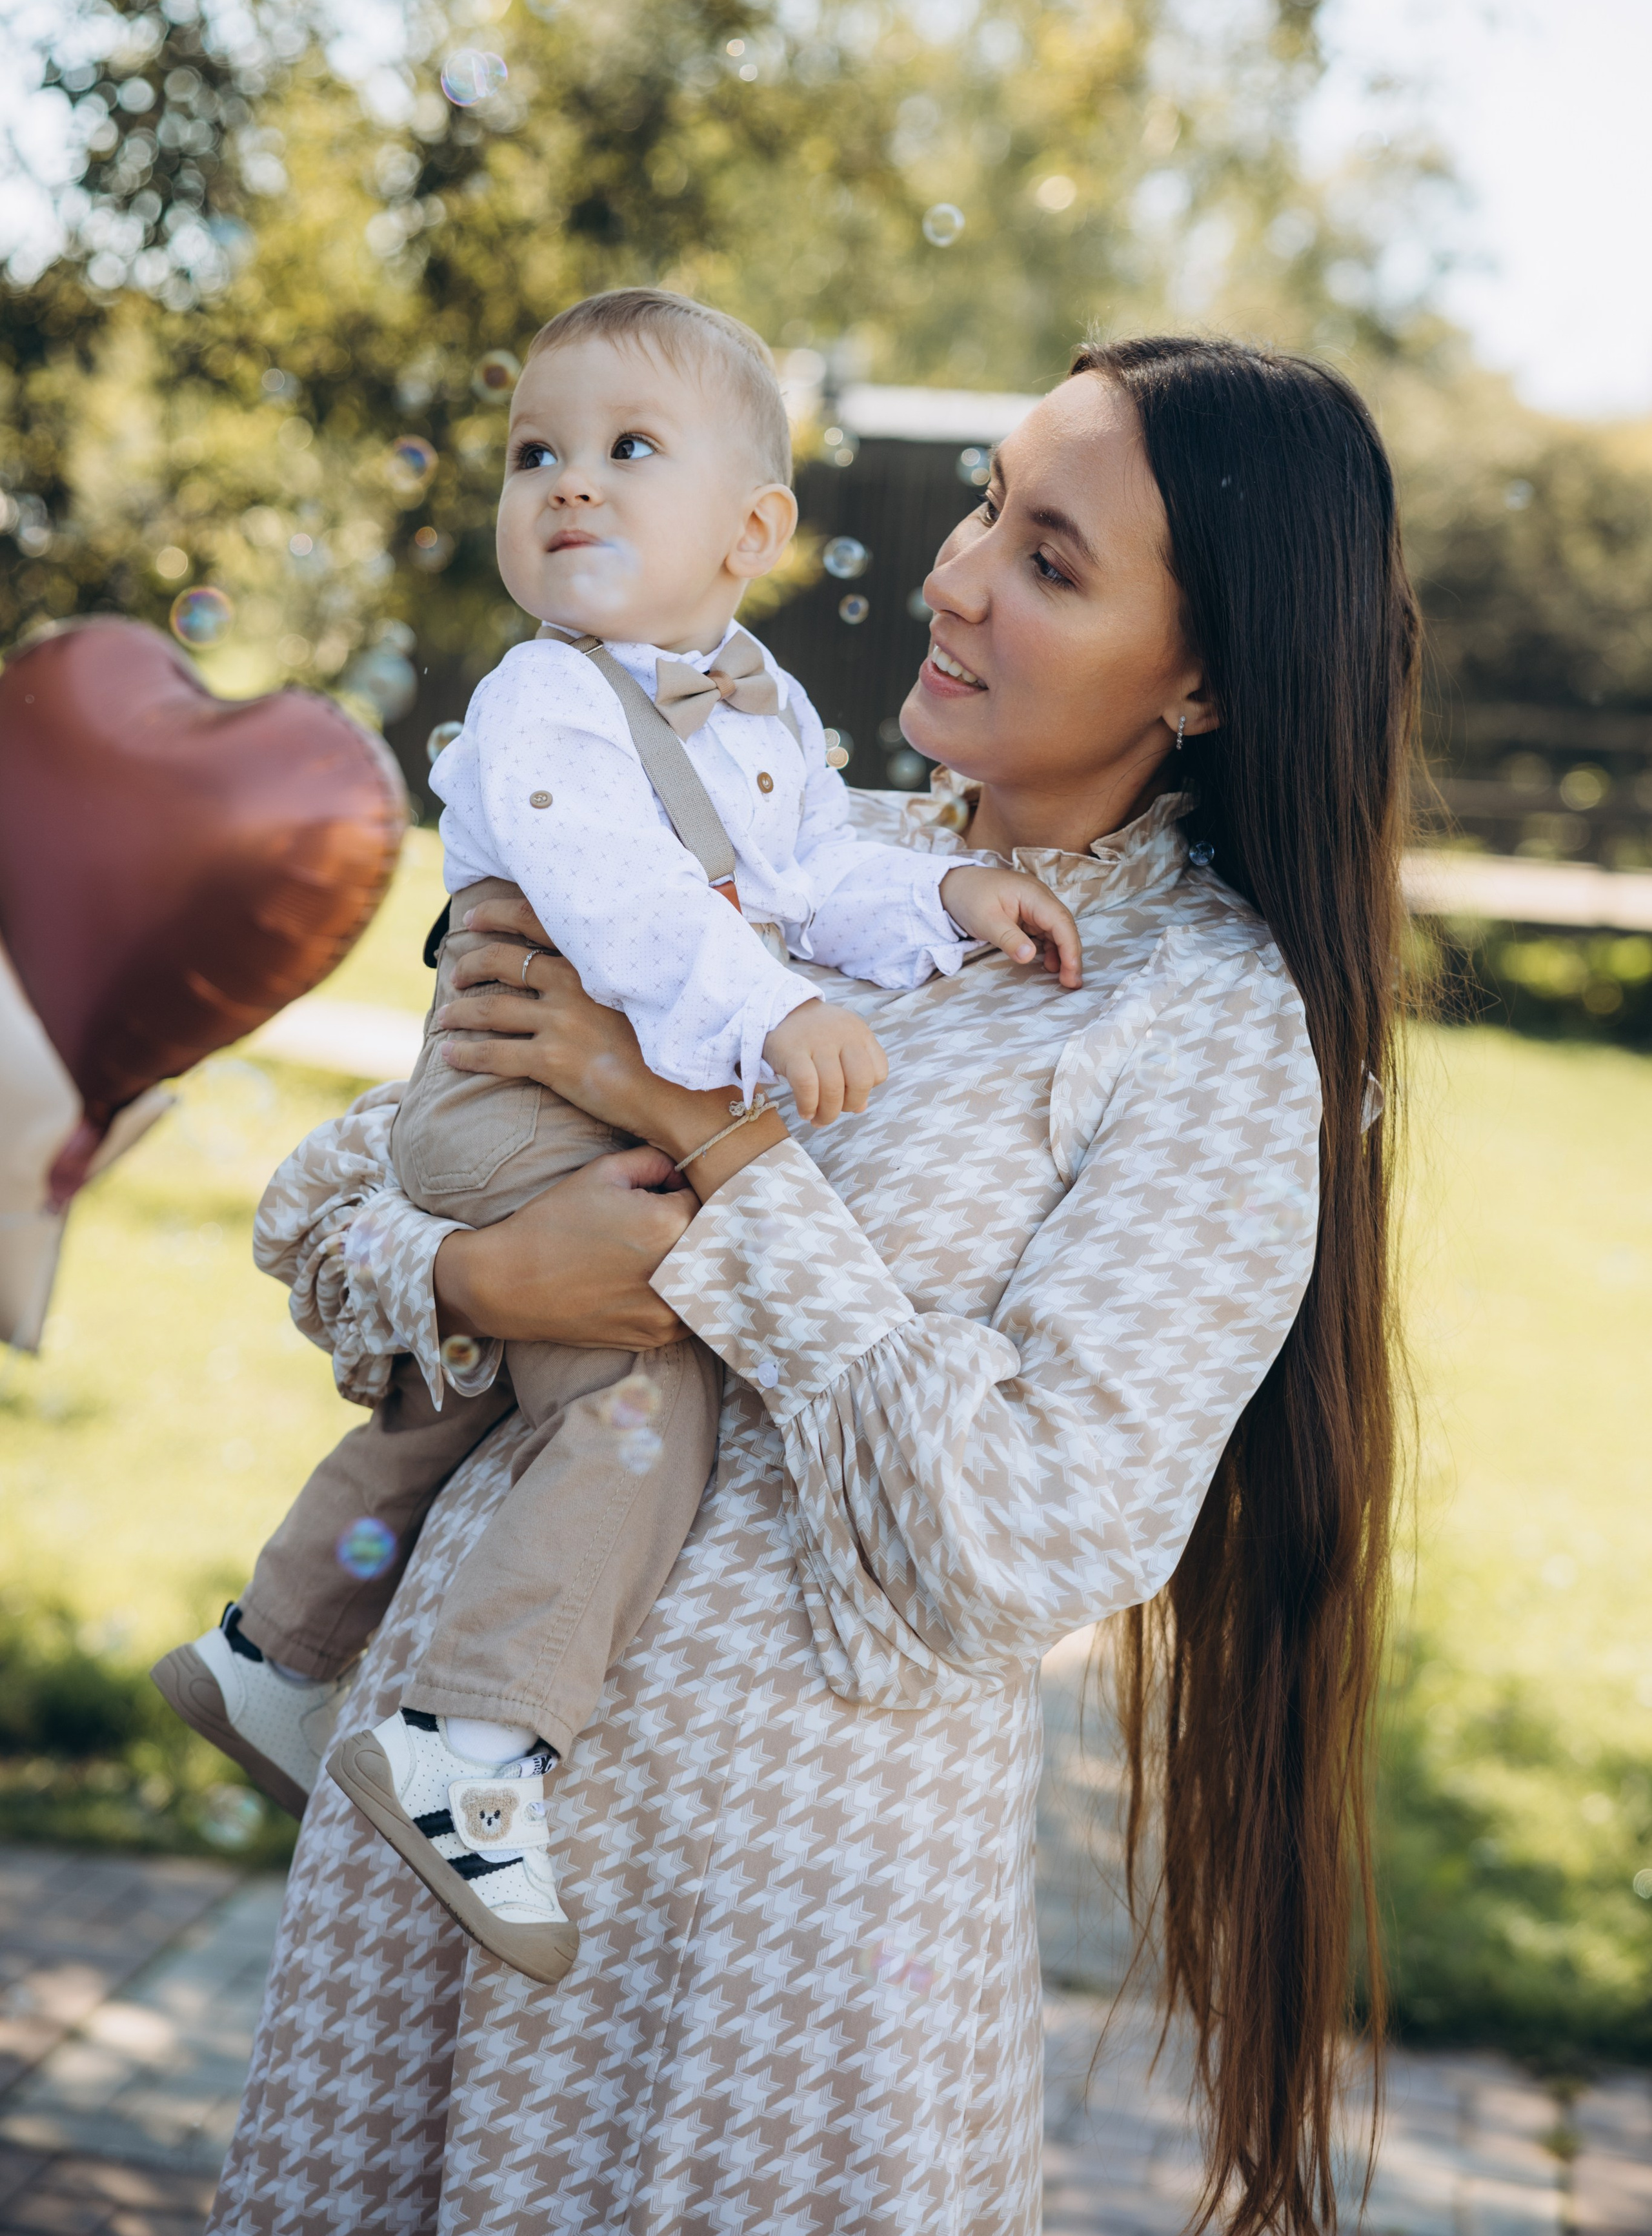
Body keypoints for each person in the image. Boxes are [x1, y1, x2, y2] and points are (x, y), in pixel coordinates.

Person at [209, 334, 1417, 2236]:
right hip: (430, 1878)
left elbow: (1025, 1532)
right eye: (983, 506)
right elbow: (329, 1202)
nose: (955, 576)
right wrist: (487, 1267)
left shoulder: (1212, 1032)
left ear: (1205, 676)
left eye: (1052, 559)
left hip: (761, 1961)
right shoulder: (798, 862)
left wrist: (708, 1145)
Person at [152, 290, 1076, 1986]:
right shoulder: (545, 698)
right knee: (642, 1396)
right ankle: (473, 1740)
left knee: (470, 1390)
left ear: (753, 533)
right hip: (516, 1101)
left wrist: (946, 894)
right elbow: (621, 899)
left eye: (626, 451)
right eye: (535, 456)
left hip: (566, 1101)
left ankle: (271, 1654)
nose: (568, 484)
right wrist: (762, 1024)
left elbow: (814, 882)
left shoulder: (764, 713)